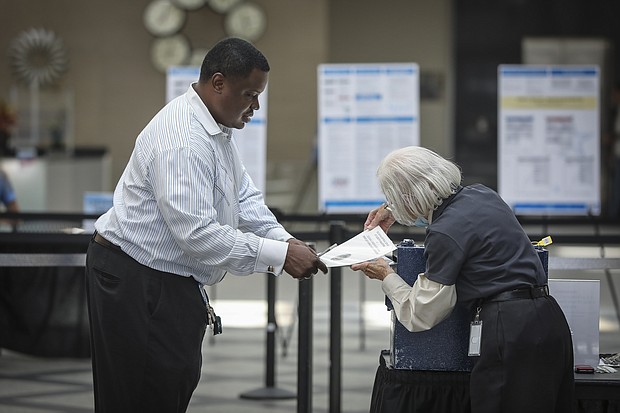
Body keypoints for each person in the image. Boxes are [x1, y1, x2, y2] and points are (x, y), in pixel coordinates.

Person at [85, 37, 327, 413]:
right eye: (249, 94)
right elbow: (197, 234)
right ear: (218, 83)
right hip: (135, 278)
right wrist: (279, 256)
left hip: (166, 278)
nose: (256, 106)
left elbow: (244, 197)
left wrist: (286, 240)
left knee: (172, 385)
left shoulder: (215, 129)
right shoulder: (183, 140)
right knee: (142, 396)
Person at [352, 146, 575, 413]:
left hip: (509, 332)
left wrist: (386, 275)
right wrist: (395, 209)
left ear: (407, 197)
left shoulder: (445, 232)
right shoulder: (483, 194)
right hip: (549, 321)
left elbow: (422, 313)